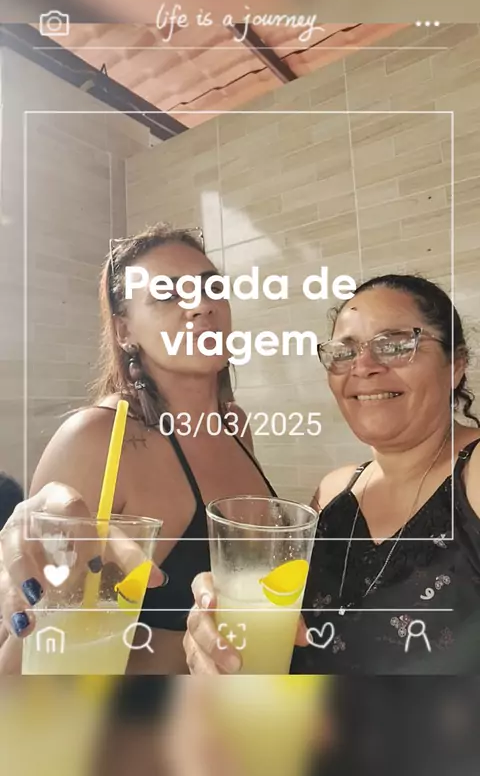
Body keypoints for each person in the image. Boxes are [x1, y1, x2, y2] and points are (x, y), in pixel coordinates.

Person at [0, 224, 276, 674]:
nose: (201, 305)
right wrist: (194, 649)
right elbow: (34, 654)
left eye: (212, 288)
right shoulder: (98, 438)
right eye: (166, 294)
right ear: (125, 330)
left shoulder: (235, 425)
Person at [184, 274, 480, 675]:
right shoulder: (333, 491)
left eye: (395, 344)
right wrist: (219, 624)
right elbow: (276, 612)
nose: (364, 366)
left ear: (456, 366)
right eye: (344, 351)